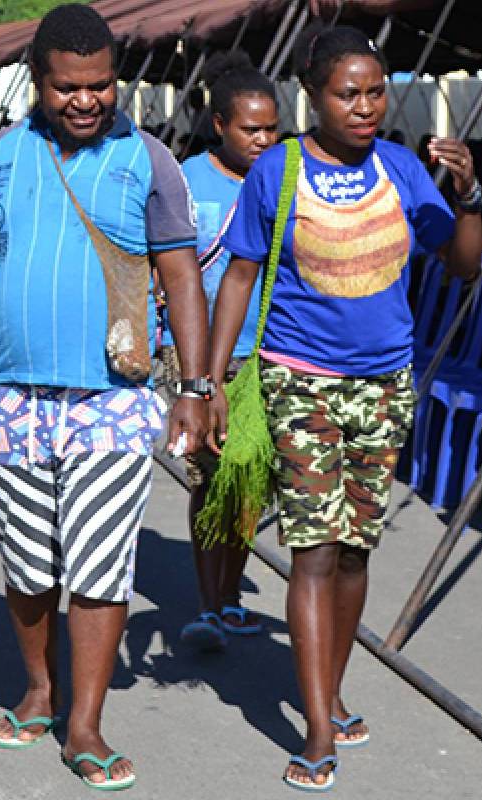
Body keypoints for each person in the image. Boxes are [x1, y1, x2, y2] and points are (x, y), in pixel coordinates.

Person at [208, 25, 482, 791]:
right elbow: (239, 276)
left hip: (386, 385)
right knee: (314, 549)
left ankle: (328, 687)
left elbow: (464, 264)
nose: (365, 106)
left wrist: (470, 195)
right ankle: (319, 727)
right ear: (314, 96)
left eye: (375, 91)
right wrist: (213, 379)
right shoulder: (278, 170)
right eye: (348, 93)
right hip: (298, 379)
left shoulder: (400, 168)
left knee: (357, 548)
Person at [0, 5, 210, 791]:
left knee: (99, 563)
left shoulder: (150, 160)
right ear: (38, 82)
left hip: (112, 402)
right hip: (8, 399)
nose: (87, 101)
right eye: (69, 88)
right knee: (29, 563)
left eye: (100, 85)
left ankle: (85, 722)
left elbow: (181, 276)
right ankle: (38, 687)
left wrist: (195, 386)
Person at [172, 52, 279, 652]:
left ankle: (229, 592)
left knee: (247, 479)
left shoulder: (286, 179)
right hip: (195, 355)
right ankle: (211, 600)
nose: (263, 140)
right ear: (219, 125)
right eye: (250, 129)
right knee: (209, 475)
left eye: (272, 129)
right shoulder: (186, 178)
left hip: (262, 353)